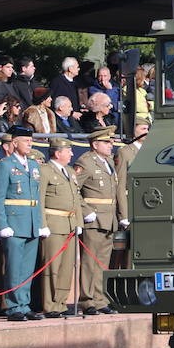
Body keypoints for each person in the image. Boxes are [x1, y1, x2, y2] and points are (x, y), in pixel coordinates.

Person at [0, 125, 47, 321]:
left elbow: (37, 198)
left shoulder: (33, 165)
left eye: (31, 141)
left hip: (30, 222)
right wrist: (2, 224)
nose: (30, 144)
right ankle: (14, 306)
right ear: (14, 143)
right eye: (25, 141)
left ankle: (24, 303)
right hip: (14, 222)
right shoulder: (5, 165)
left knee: (27, 268)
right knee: (14, 267)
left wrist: (39, 223)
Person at [77, 128, 126, 314]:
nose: (110, 145)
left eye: (110, 142)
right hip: (95, 218)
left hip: (109, 218)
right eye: (106, 142)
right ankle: (87, 300)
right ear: (95, 144)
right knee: (90, 262)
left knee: (102, 262)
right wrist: (86, 211)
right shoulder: (85, 162)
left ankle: (99, 299)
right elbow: (75, 189)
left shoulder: (107, 163)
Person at [38, 136, 83, 317]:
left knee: (67, 267)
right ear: (57, 153)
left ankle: (61, 302)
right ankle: (50, 305)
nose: (72, 154)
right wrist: (42, 224)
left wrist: (78, 222)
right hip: (54, 224)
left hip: (70, 224)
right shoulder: (45, 171)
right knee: (52, 267)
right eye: (68, 151)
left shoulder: (69, 171)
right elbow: (40, 199)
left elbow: (76, 199)